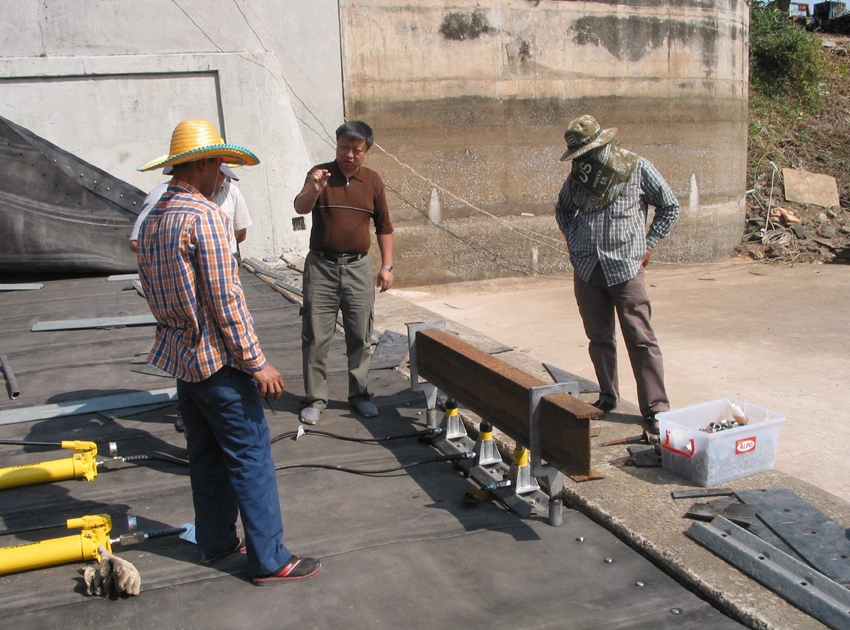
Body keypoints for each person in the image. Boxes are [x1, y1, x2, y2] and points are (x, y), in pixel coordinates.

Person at [135, 119, 320, 584]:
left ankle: (216, 542)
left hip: (182, 359)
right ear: (201, 163)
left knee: (206, 455)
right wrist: (257, 362)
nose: (222, 174)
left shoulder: (156, 216)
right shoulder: (204, 218)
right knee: (251, 456)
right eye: (218, 163)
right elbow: (226, 300)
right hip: (218, 362)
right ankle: (270, 559)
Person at [554, 115, 680, 434]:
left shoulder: (636, 167)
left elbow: (669, 206)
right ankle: (608, 396)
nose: (583, 159)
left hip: (625, 267)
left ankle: (655, 407)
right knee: (599, 337)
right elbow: (563, 209)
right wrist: (573, 240)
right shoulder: (579, 176)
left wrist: (648, 245)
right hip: (587, 267)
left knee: (641, 339)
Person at [294, 120, 394, 425]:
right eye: (343, 147)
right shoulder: (319, 174)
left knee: (361, 335)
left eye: (356, 149)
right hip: (321, 267)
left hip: (359, 268)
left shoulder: (373, 181)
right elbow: (300, 207)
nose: (349, 154)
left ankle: (360, 395)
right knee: (316, 336)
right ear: (337, 146)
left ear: (366, 152)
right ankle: (315, 399)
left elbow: (384, 227)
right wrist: (314, 189)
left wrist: (386, 265)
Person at [129, 163, 251, 255]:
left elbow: (240, 234)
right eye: (219, 171)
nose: (221, 178)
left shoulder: (230, 191)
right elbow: (138, 243)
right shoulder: (159, 195)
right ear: (202, 166)